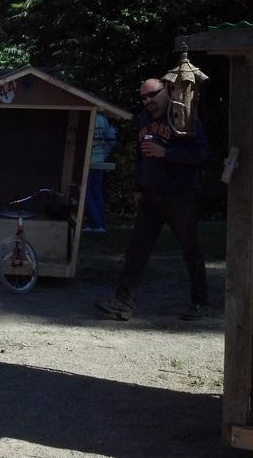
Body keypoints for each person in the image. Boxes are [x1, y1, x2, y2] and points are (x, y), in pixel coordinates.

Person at [96, 78, 210, 322]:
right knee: (137, 250)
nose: (148, 101)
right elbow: (141, 155)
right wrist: (139, 186)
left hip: (180, 195)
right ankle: (122, 303)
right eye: (144, 97)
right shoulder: (143, 119)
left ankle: (200, 303)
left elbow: (201, 153)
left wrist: (166, 152)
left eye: (153, 95)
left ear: (166, 91)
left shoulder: (183, 116)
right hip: (151, 195)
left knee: (190, 250)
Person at [83, 112, 118, 232]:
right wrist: (104, 154)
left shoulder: (85, 116)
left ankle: (96, 222)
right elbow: (111, 140)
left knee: (85, 192)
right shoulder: (103, 120)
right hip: (99, 160)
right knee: (96, 190)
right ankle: (100, 224)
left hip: (88, 160)